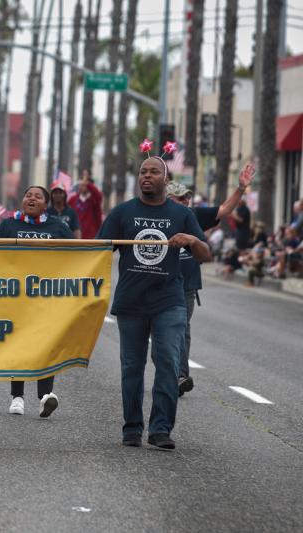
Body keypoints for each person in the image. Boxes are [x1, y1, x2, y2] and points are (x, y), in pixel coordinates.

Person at [97, 155, 210, 450]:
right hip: (131, 302)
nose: (146, 176)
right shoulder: (122, 212)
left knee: (169, 363)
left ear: (166, 179)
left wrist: (191, 240)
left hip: (169, 302)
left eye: (153, 172)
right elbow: (98, 251)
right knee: (131, 367)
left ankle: (161, 429)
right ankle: (132, 428)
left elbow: (205, 254)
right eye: (143, 172)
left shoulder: (182, 215)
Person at [165, 162, 255, 396]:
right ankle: (168, 369)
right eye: (179, 198)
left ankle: (180, 375)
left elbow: (224, 210)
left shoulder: (194, 215)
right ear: (167, 199)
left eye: (187, 198)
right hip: (159, 284)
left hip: (186, 286)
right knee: (162, 333)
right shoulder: (158, 218)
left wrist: (241, 188)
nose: (185, 202)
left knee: (181, 329)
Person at [0, 185, 73, 417]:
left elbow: (76, 255)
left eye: (37, 197)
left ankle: (45, 397)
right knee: (18, 345)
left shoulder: (58, 227)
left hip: (48, 297)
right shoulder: (9, 225)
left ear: (45, 205)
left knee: (46, 346)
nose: (31, 199)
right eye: (28, 195)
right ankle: (17, 397)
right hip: (15, 296)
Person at [68, 170, 102, 239]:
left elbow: (98, 195)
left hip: (91, 238)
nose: (80, 187)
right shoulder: (73, 199)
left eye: (84, 185)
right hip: (75, 237)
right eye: (80, 185)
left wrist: (87, 183)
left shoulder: (94, 200)